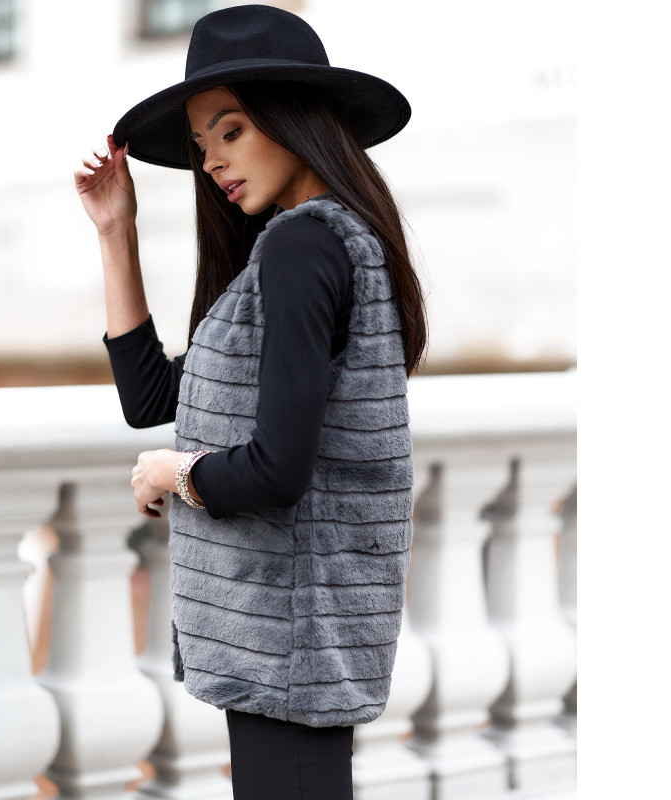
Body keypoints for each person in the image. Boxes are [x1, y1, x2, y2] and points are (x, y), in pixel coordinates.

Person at [74, 6, 427, 799]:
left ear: (293, 117)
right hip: (293, 634)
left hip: (288, 636)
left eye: (230, 131)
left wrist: (173, 474)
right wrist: (116, 231)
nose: (212, 162)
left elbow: (277, 471)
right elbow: (152, 395)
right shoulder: (321, 242)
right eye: (201, 145)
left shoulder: (304, 245)